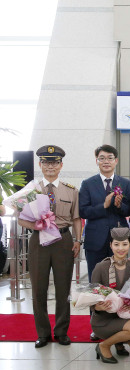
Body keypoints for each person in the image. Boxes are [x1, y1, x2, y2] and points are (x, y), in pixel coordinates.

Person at [19, 145, 82, 348]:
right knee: (39, 288)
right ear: (40, 164)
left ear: (61, 165)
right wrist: (36, 225)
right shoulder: (32, 190)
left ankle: (62, 331)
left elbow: (76, 218)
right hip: (38, 241)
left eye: (54, 162)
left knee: (64, 288)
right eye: (46, 162)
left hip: (63, 241)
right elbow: (20, 218)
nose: (50, 166)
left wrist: (77, 241)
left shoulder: (71, 191)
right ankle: (43, 333)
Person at [91, 227, 130, 363]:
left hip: (126, 317)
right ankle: (104, 346)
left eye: (125, 244)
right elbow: (91, 298)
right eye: (116, 244)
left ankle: (119, 341)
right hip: (104, 321)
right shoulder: (101, 267)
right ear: (110, 245)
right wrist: (99, 307)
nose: (121, 248)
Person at [79, 144, 130, 279]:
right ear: (96, 161)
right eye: (102, 158)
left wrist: (119, 205)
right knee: (96, 278)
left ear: (116, 161)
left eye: (110, 158)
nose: (106, 162)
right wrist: (104, 205)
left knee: (120, 277)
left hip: (119, 239)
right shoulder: (87, 184)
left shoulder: (126, 183)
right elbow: (83, 211)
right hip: (95, 240)